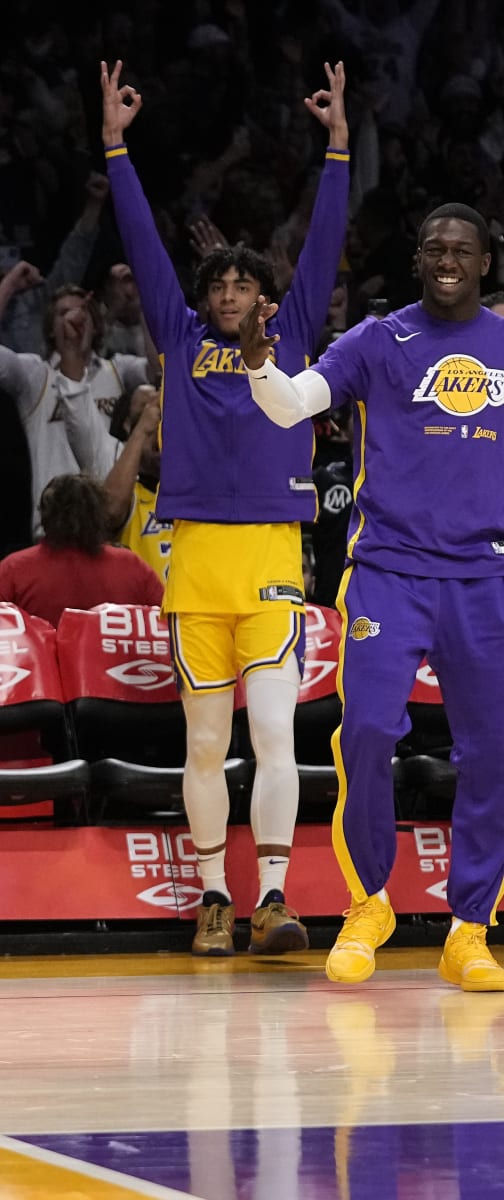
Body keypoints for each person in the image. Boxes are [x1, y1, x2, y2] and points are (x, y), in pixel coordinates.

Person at [103, 59, 350, 956]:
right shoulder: (179, 336)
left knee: (278, 733)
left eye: (244, 286)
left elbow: (324, 241)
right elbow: (141, 239)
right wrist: (116, 146)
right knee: (205, 743)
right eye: (220, 287)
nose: (229, 295)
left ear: (271, 301)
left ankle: (275, 897)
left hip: (274, 560)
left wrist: (338, 147)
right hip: (195, 559)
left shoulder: (295, 338)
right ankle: (213, 897)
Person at [243, 202, 504, 991]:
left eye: (463, 249)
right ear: (418, 260)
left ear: (486, 263)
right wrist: (258, 360)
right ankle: (370, 906)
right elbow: (292, 404)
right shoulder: (377, 340)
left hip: (485, 578)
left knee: (490, 753)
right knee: (364, 734)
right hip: (388, 570)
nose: (448, 258)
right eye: (434, 248)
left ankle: (469, 928)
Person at [0, 266, 149, 535]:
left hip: (112, 524)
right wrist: (10, 282)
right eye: (63, 314)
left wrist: (145, 300)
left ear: (95, 324)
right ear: (51, 330)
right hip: (53, 529)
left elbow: (162, 370)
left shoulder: (120, 370)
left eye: (82, 312)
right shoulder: (35, 376)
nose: (74, 318)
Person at [0, 475, 164, 625]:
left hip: (40, 669)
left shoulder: (15, 568)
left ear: (44, 516)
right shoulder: (131, 566)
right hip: (116, 669)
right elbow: (169, 622)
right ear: (100, 515)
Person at [100, 383, 170, 582]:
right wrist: (141, 430)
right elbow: (109, 511)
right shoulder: (129, 495)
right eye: (153, 436)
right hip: (142, 610)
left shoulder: (198, 493)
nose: (160, 443)